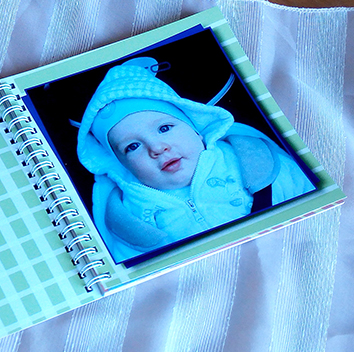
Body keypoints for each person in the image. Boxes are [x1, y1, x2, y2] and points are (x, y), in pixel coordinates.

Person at [76, 59, 315, 263]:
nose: (157, 148)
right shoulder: (129, 213)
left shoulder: (252, 162)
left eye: (165, 128)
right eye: (132, 147)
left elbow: (306, 195)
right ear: (122, 165)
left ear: (196, 129)